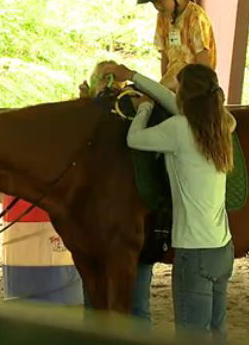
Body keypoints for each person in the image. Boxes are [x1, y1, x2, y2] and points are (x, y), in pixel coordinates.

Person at [102, 62, 235, 343]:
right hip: (222, 250)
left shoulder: (177, 129)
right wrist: (135, 78)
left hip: (194, 252)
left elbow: (134, 138)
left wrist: (144, 108)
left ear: (185, 94)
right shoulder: (224, 125)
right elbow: (179, 106)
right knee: (217, 333)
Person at [79, 60, 155, 325]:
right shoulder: (130, 111)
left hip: (131, 228)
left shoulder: (129, 109)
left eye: (109, 81)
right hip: (122, 227)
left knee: (131, 306)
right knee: (127, 306)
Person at [136, 0, 218, 91]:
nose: (158, 7)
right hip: (173, 88)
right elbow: (165, 57)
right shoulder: (162, 18)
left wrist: (204, 93)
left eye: (160, 1)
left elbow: (203, 61)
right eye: (154, 3)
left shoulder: (195, 16)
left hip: (194, 88)